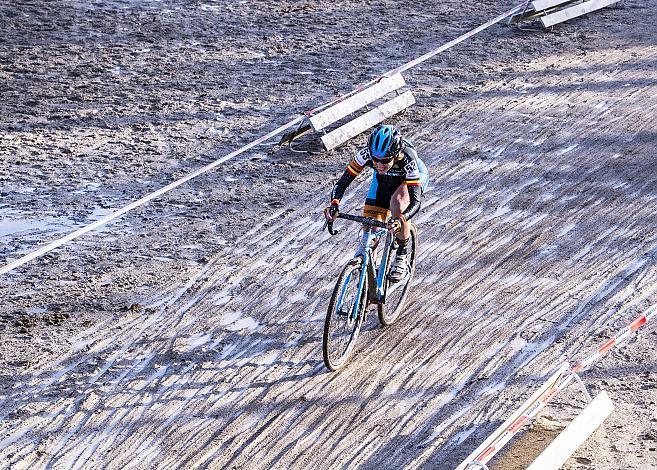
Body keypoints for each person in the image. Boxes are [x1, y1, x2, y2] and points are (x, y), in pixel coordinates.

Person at [324, 124, 429, 281]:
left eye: (385, 160)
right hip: (384, 180)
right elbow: (342, 182)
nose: (379, 165)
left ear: (396, 154)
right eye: (376, 160)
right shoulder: (366, 154)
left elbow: (415, 202)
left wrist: (400, 219)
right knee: (370, 227)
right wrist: (334, 204)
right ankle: (367, 278)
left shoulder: (407, 158)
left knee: (397, 203)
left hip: (410, 179)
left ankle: (401, 252)